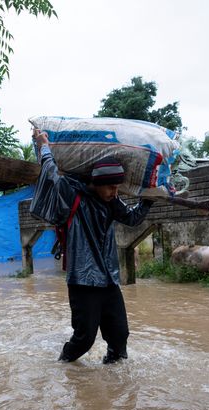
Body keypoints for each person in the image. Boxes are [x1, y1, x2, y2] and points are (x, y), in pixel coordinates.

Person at [32, 129, 154, 364]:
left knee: (120, 335)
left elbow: (132, 218)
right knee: (85, 339)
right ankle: (64, 366)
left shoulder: (112, 202)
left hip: (108, 279)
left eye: (117, 188)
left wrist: (148, 199)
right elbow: (51, 174)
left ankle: (113, 379)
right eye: (110, 188)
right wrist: (43, 146)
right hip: (83, 280)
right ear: (96, 183)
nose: (114, 192)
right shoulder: (73, 195)